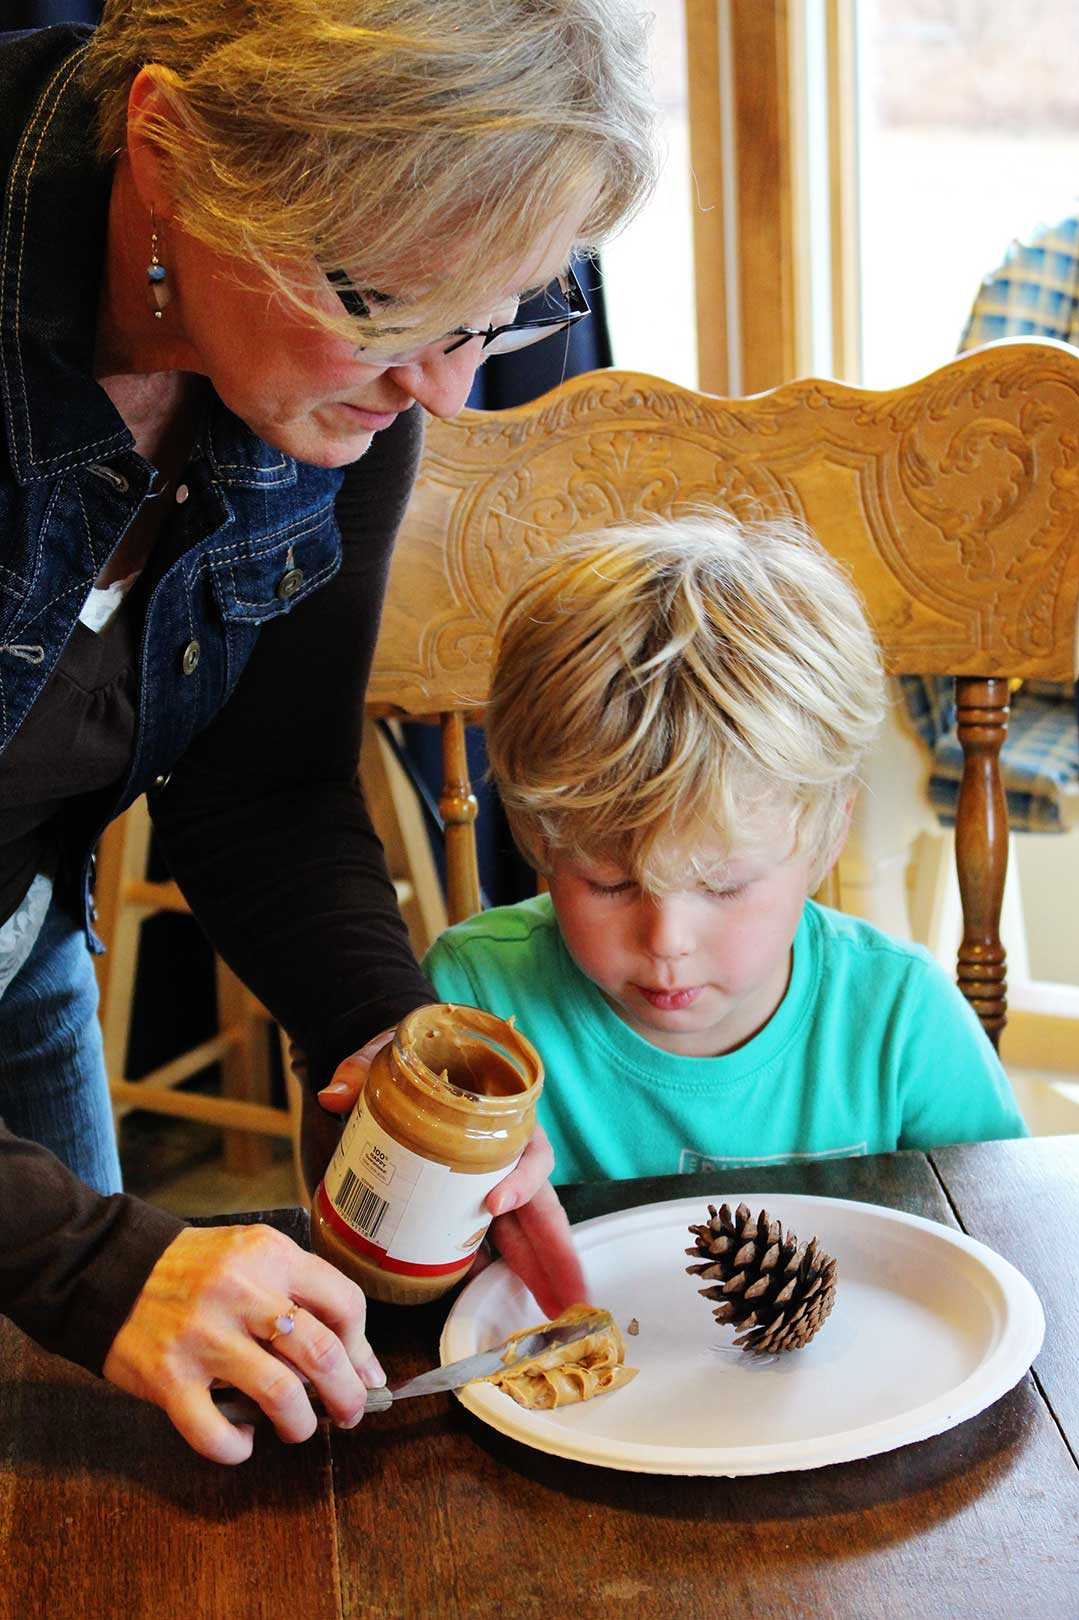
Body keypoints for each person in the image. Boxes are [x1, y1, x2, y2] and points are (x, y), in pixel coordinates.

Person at [0, 2, 656, 1463]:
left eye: (491, 319)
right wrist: (89, 1265)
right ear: (168, 151)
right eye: (385, 311)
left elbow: (265, 790)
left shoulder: (373, 366)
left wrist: (387, 1048)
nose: (442, 389)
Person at [408, 516, 1028, 1183]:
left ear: (825, 836)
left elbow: (1001, 1235)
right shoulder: (473, 1002)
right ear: (539, 837)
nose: (667, 940)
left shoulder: (900, 1021)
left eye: (723, 885)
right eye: (609, 884)